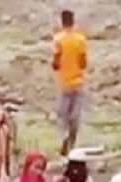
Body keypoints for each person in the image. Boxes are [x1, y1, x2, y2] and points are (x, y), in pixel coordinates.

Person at [51, 10, 87, 155]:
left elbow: (56, 63)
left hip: (64, 83)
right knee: (75, 114)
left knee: (62, 114)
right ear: (73, 21)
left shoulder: (58, 40)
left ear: (62, 21)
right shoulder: (80, 39)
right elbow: (83, 63)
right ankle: (72, 142)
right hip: (78, 82)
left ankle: (65, 135)